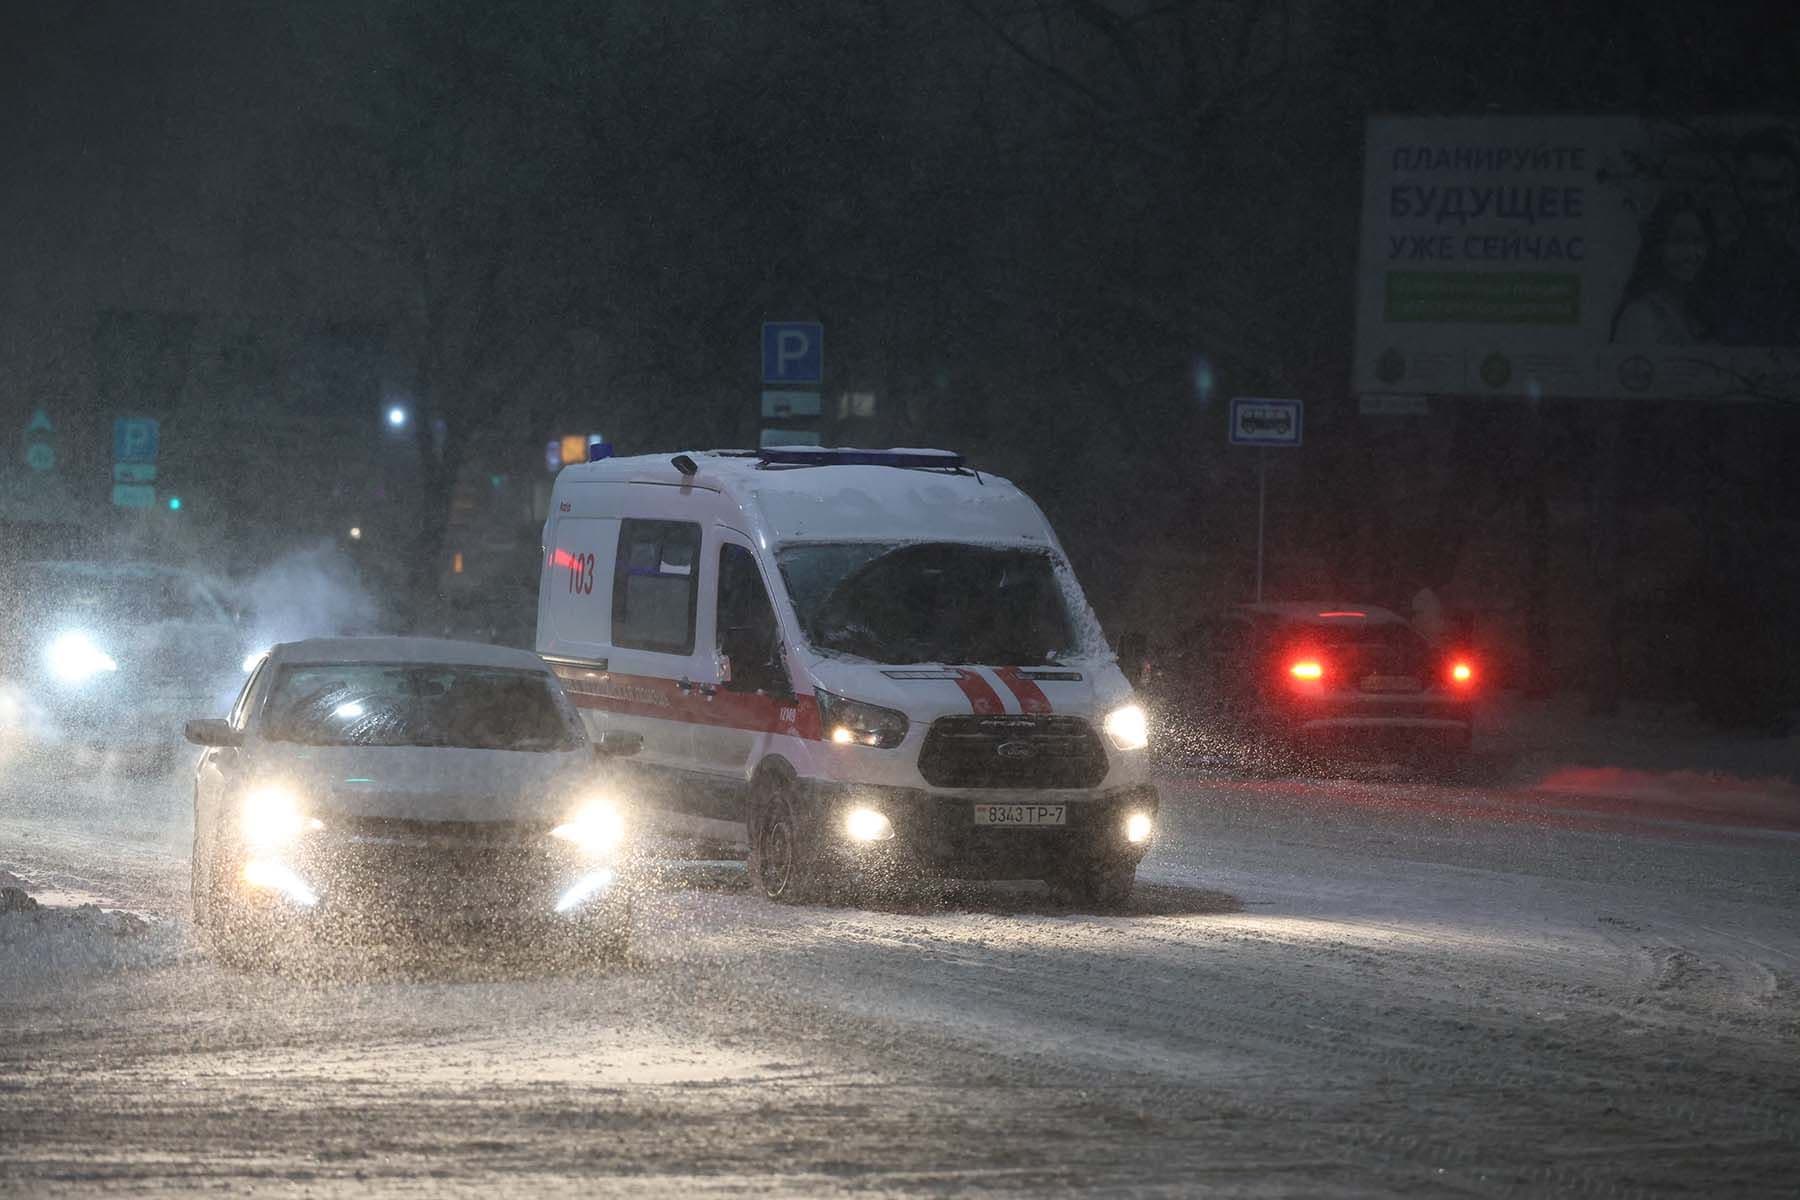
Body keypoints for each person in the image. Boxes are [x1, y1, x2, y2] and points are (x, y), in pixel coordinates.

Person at [1702, 127, 1800, 347]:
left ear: (1795, 191)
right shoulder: (1711, 268)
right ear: (1738, 188)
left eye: (1777, 186)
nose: (1765, 199)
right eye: (1754, 186)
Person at [1609, 191, 1715, 345]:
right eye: (1678, 241)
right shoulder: (1640, 316)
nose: (1690, 253)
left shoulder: (1700, 315)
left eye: (1698, 241)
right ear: (1657, 248)